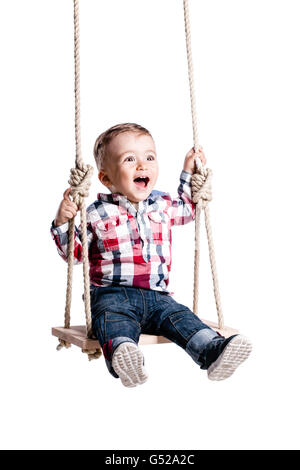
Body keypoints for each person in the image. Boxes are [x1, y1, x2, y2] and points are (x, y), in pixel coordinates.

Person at [51, 123, 251, 387]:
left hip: (158, 298)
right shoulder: (95, 213)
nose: (142, 165)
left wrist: (190, 173)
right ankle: (125, 356)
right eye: (130, 159)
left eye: (149, 157)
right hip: (111, 296)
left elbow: (189, 209)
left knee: (182, 318)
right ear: (107, 179)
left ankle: (213, 352)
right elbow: (74, 254)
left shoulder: (162, 203)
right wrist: (63, 222)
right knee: (114, 324)